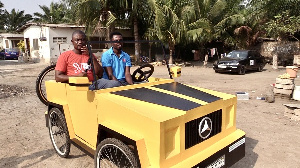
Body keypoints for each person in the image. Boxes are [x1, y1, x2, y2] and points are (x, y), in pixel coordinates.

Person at [55, 30, 120, 89]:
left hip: (92, 84)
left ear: (85, 41)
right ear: (72, 42)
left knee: (115, 83)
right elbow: (58, 77)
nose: (80, 42)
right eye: (77, 40)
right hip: (75, 85)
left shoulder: (90, 55)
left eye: (82, 40)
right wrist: (77, 76)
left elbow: (100, 73)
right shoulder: (65, 55)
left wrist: (91, 55)